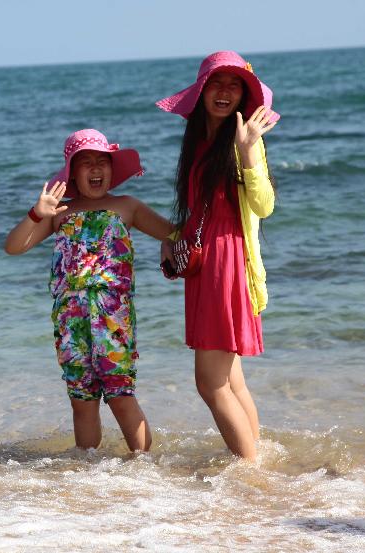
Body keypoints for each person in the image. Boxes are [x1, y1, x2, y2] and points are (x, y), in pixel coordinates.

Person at [4, 129, 173, 452]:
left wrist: (167, 242)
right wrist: (37, 213)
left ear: (112, 169)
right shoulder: (60, 213)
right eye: (86, 163)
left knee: (121, 395)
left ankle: (144, 468)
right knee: (81, 401)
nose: (96, 169)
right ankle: (87, 474)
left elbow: (175, 232)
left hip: (113, 319)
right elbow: (14, 247)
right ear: (71, 174)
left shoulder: (127, 206)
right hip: (70, 319)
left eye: (102, 161)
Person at [156, 51, 279, 461]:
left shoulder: (245, 140)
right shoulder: (199, 143)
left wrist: (247, 152)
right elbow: (199, 211)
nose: (224, 93)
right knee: (231, 381)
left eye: (234, 86)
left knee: (210, 384)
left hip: (227, 262)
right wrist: (174, 237)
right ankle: (254, 461)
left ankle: (249, 470)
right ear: (202, 91)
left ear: (244, 95)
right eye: (216, 84)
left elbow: (264, 206)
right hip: (205, 262)